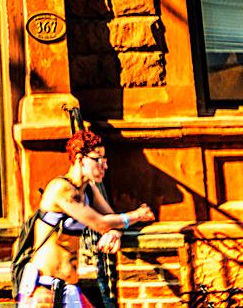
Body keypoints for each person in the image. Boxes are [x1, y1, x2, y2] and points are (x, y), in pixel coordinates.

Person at [17, 125, 154, 308]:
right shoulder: (61, 189)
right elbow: (99, 223)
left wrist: (114, 232)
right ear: (80, 159)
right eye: (98, 160)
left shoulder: (88, 189)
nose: (105, 165)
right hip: (44, 289)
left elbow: (110, 219)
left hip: (70, 287)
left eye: (105, 160)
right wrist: (136, 215)